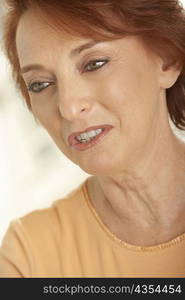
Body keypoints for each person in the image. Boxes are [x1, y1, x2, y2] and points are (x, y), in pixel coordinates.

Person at [0, 0, 185, 278]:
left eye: (94, 64)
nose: (69, 107)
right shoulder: (29, 259)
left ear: (167, 59)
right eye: (40, 84)